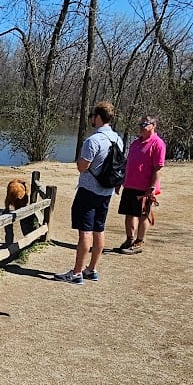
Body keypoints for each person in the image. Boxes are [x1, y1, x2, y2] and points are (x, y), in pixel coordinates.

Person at [58, 102, 124, 284]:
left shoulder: (92, 141)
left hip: (88, 191)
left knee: (85, 232)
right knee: (99, 230)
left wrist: (81, 159)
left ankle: (77, 273)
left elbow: (82, 166)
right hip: (106, 192)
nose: (91, 119)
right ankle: (92, 269)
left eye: (93, 116)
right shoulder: (117, 139)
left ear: (98, 117)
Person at [116, 115, 166, 254]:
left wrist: (152, 187)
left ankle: (139, 241)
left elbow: (158, 168)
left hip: (145, 188)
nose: (141, 127)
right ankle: (129, 239)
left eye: (145, 124)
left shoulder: (158, 144)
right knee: (129, 214)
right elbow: (129, 164)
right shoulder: (136, 143)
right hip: (130, 185)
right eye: (140, 124)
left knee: (144, 215)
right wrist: (121, 181)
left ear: (153, 125)